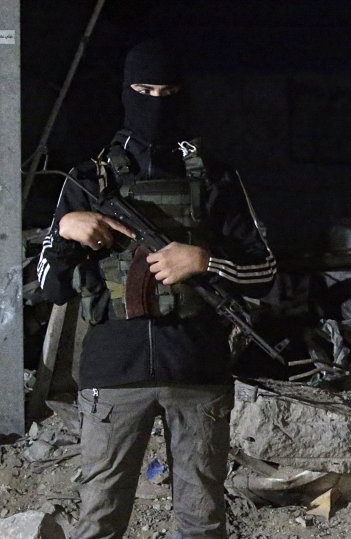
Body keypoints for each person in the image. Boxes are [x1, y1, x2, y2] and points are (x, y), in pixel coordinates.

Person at [37, 39, 277, 539]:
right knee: (100, 520)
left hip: (197, 368)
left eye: (168, 91)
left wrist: (205, 260)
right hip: (114, 372)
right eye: (145, 90)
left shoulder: (213, 175)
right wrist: (65, 231)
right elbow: (48, 286)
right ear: (126, 93)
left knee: (202, 520)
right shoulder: (88, 179)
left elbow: (267, 272)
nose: (156, 102)